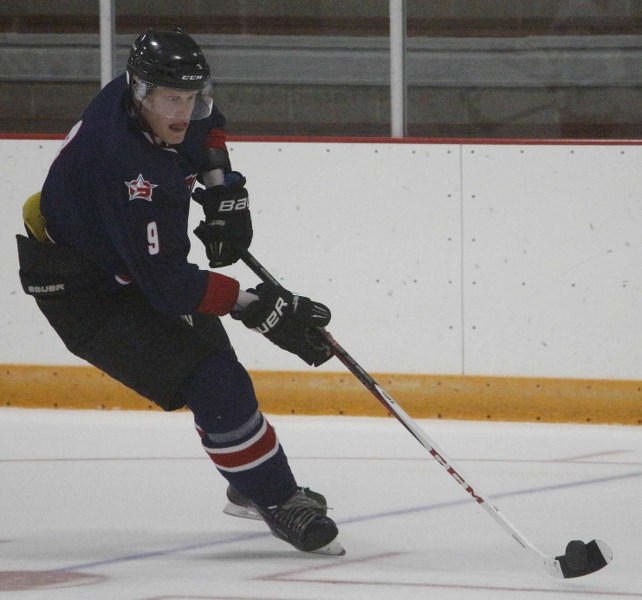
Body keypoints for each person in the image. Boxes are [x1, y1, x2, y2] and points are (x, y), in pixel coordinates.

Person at [16, 28, 343, 556]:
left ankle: (250, 481)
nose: (185, 111)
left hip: (126, 262)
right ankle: (278, 499)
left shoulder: (134, 98)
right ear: (141, 92)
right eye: (173, 99)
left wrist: (222, 191)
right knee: (212, 377)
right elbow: (168, 287)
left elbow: (209, 128)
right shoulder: (122, 164)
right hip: (84, 292)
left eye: (191, 96)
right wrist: (254, 306)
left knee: (220, 368)